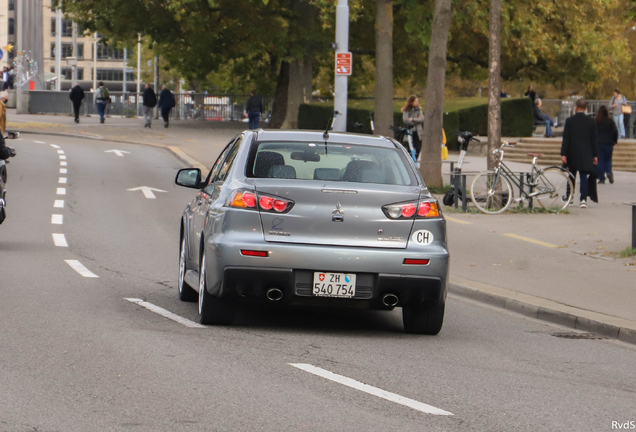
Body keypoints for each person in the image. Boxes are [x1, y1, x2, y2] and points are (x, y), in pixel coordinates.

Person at [560, 98, 598, 208]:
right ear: (586, 108)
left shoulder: (570, 120)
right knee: (583, 176)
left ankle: (570, 197)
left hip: (572, 152)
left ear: (576, 107)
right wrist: (595, 155)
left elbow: (566, 138)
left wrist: (564, 153)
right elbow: (594, 139)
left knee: (571, 175)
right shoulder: (591, 122)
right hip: (587, 153)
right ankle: (583, 199)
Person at [595, 105, 618, 185]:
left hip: (599, 143)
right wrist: (615, 140)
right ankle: (608, 171)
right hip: (609, 143)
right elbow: (615, 132)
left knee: (600, 160)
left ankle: (601, 178)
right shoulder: (610, 121)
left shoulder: (596, 121)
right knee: (608, 159)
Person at [401, 95, 424, 160]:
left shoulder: (419, 110)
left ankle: (414, 160)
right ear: (411, 102)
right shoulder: (406, 110)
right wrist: (417, 120)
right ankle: (409, 161)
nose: (417, 102)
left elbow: (422, 119)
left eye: (417, 101)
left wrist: (413, 119)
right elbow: (406, 120)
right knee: (409, 148)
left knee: (418, 147)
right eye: (415, 101)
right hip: (410, 131)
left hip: (418, 132)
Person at [0, 91, 15, 160]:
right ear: (2, 98)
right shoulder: (0, 106)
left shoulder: (2, 106)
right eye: (6, 98)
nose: (7, 100)